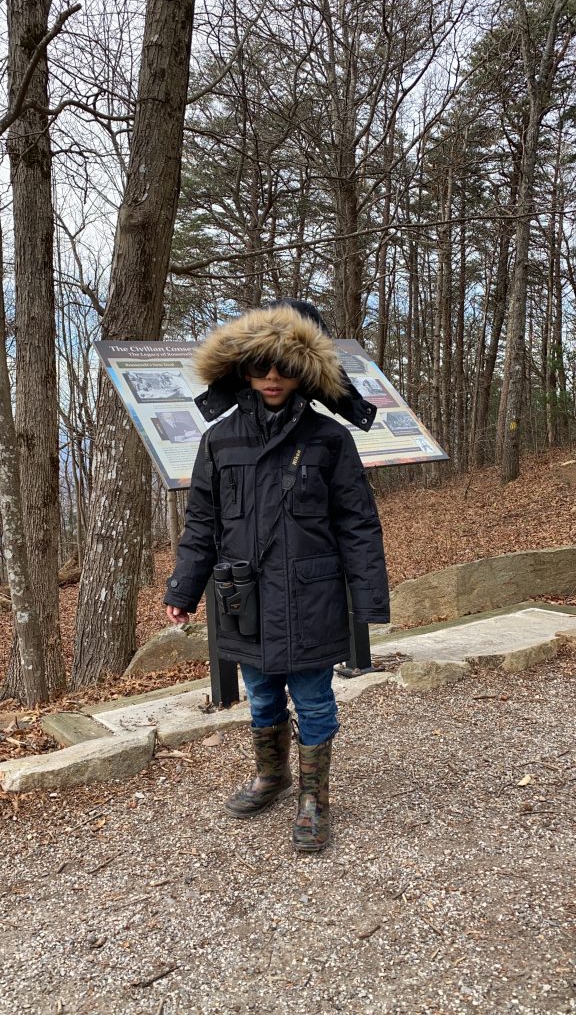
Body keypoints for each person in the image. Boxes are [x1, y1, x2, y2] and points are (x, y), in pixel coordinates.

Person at [164, 299, 390, 852]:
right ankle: (273, 775)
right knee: (262, 697)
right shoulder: (219, 440)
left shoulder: (329, 439)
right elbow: (202, 521)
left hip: (311, 598)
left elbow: (358, 522)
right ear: (241, 369)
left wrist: (369, 599)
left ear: (304, 372)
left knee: (313, 699)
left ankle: (314, 797)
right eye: (260, 366)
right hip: (245, 600)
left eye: (285, 366)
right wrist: (184, 588)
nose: (271, 377)